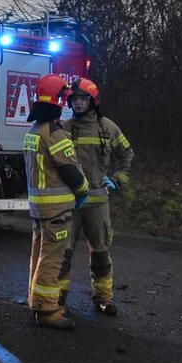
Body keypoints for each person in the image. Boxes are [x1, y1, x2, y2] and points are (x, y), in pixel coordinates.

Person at [60, 78, 135, 316]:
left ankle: (103, 299)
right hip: (69, 203)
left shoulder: (108, 128)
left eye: (82, 99)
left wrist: (119, 179)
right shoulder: (63, 128)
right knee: (63, 254)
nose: (78, 103)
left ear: (93, 101)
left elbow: (127, 154)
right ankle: (57, 299)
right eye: (75, 99)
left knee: (101, 254)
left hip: (98, 203)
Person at [24, 75, 90, 331]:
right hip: (57, 209)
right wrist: (83, 190)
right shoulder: (54, 132)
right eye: (64, 98)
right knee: (52, 258)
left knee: (38, 256)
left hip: (39, 208)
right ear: (57, 101)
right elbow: (71, 170)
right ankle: (47, 310)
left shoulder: (33, 131)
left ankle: (36, 301)